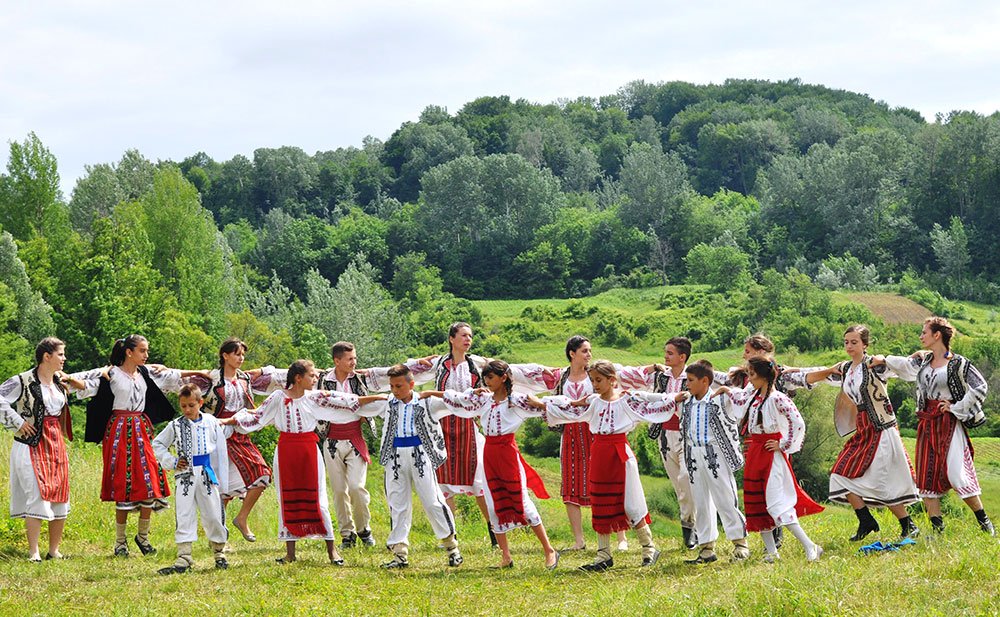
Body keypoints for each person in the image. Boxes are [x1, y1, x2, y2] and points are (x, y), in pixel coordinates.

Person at [221, 360, 382, 565]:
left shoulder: (314, 397)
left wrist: (378, 399)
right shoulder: (279, 397)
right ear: (298, 378)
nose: (316, 379)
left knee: (318, 498)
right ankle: (290, 553)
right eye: (312, 375)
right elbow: (257, 415)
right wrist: (226, 421)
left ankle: (332, 551)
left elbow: (345, 400)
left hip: (308, 451)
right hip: (286, 451)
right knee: (288, 498)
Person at [365, 322, 495, 547]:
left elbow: (504, 372)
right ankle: (452, 536)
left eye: (470, 336)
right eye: (463, 335)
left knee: (477, 478)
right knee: (443, 481)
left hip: (467, 425)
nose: (468, 340)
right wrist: (413, 363)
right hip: (442, 424)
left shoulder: (478, 363)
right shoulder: (439, 363)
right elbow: (403, 373)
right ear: (452, 338)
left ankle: (494, 532)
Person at [74, 335, 202, 557]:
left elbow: (173, 375)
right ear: (129, 352)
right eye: (142, 350)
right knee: (123, 483)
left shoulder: (145, 373)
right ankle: (120, 542)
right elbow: (88, 385)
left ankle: (142, 537)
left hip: (142, 429)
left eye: (147, 351)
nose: (146, 355)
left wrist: (203, 373)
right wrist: (67, 379)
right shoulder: (112, 373)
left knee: (150, 480)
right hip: (119, 430)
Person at [543, 360, 677, 571]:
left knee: (631, 502)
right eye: (593, 380)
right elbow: (572, 409)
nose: (595, 384)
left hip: (619, 454)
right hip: (599, 454)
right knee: (600, 501)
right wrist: (549, 404)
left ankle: (649, 547)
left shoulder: (625, 401)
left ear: (612, 380)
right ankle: (604, 554)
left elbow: (651, 402)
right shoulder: (594, 402)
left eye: (599, 380)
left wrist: (674, 398)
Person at [424, 360, 559, 569]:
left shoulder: (517, 401)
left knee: (522, 501)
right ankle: (506, 556)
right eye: (485, 377)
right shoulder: (483, 400)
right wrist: (432, 393)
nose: (486, 381)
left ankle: (549, 550)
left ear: (503, 378)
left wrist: (542, 404)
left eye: (490, 377)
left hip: (507, 453)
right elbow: (458, 399)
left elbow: (545, 408)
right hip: (489, 453)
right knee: (493, 503)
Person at [798, 325, 921, 541]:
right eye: (846, 342)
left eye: (854, 342)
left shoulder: (876, 365)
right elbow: (820, 372)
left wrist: (904, 357)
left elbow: (907, 368)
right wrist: (789, 369)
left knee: (884, 480)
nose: (849, 346)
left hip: (881, 427)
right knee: (839, 474)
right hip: (862, 428)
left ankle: (908, 524)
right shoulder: (845, 369)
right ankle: (866, 520)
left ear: (865, 344)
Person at [872, 317, 993, 535]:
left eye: (924, 332)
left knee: (957, 474)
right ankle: (938, 531)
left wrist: (957, 406)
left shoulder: (958, 363)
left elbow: (980, 386)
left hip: (948, 422)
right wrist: (885, 359)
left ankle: (985, 523)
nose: (920, 336)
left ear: (937, 335)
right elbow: (904, 365)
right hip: (926, 422)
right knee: (927, 477)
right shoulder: (924, 361)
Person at [349, 364, 464, 569]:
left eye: (399, 386)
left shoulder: (428, 403)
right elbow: (356, 404)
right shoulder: (388, 403)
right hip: (395, 456)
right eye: (392, 386)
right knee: (398, 503)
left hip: (420, 454)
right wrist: (376, 397)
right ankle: (400, 553)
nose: (395, 390)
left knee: (432, 500)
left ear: (411, 384)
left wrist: (431, 392)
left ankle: (451, 547)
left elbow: (455, 400)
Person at [719, 357, 824, 563]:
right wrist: (726, 391)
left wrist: (783, 444)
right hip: (756, 452)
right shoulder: (755, 398)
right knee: (758, 503)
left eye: (751, 374)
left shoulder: (778, 399)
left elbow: (797, 422)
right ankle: (771, 552)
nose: (748, 379)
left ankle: (810, 545)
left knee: (777, 503)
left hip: (771, 454)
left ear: (763, 377)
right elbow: (739, 401)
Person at [186, 337, 283, 543]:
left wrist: (265, 370)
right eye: (237, 354)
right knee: (219, 485)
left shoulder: (245, 379)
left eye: (243, 354)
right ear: (225, 355)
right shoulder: (210, 380)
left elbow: (274, 376)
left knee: (262, 473)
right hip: (216, 433)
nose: (241, 358)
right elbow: (178, 380)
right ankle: (218, 534)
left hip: (239, 432)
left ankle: (242, 518)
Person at [0, 337, 84, 561]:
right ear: (47, 356)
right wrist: (18, 422)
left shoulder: (58, 381)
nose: (64, 358)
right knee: (37, 492)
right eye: (61, 354)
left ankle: (54, 550)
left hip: (55, 442)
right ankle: (33, 551)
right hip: (32, 443)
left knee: (60, 494)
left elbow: (89, 379)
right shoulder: (23, 380)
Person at [673, 360, 750, 564]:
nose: (687, 384)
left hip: (716, 453)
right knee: (701, 500)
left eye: (690, 380)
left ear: (705, 381)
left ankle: (740, 542)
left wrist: (728, 389)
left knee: (725, 497)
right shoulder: (686, 402)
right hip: (694, 454)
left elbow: (746, 398)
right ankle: (706, 547)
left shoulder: (720, 400)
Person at [152, 384, 230, 574]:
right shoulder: (176, 425)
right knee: (184, 513)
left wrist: (222, 480)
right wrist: (172, 461)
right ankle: (184, 557)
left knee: (212, 513)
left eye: (191, 406)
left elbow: (220, 451)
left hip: (206, 473)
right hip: (185, 475)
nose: (187, 410)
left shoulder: (211, 422)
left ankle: (219, 552)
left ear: (200, 403)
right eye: (183, 406)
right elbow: (158, 444)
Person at [315, 341, 378, 550]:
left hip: (354, 438)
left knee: (356, 487)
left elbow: (366, 401)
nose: (354, 362)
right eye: (350, 359)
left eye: (355, 358)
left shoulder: (358, 378)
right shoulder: (323, 379)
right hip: (331, 439)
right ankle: (347, 534)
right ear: (337, 361)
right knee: (340, 490)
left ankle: (364, 529)